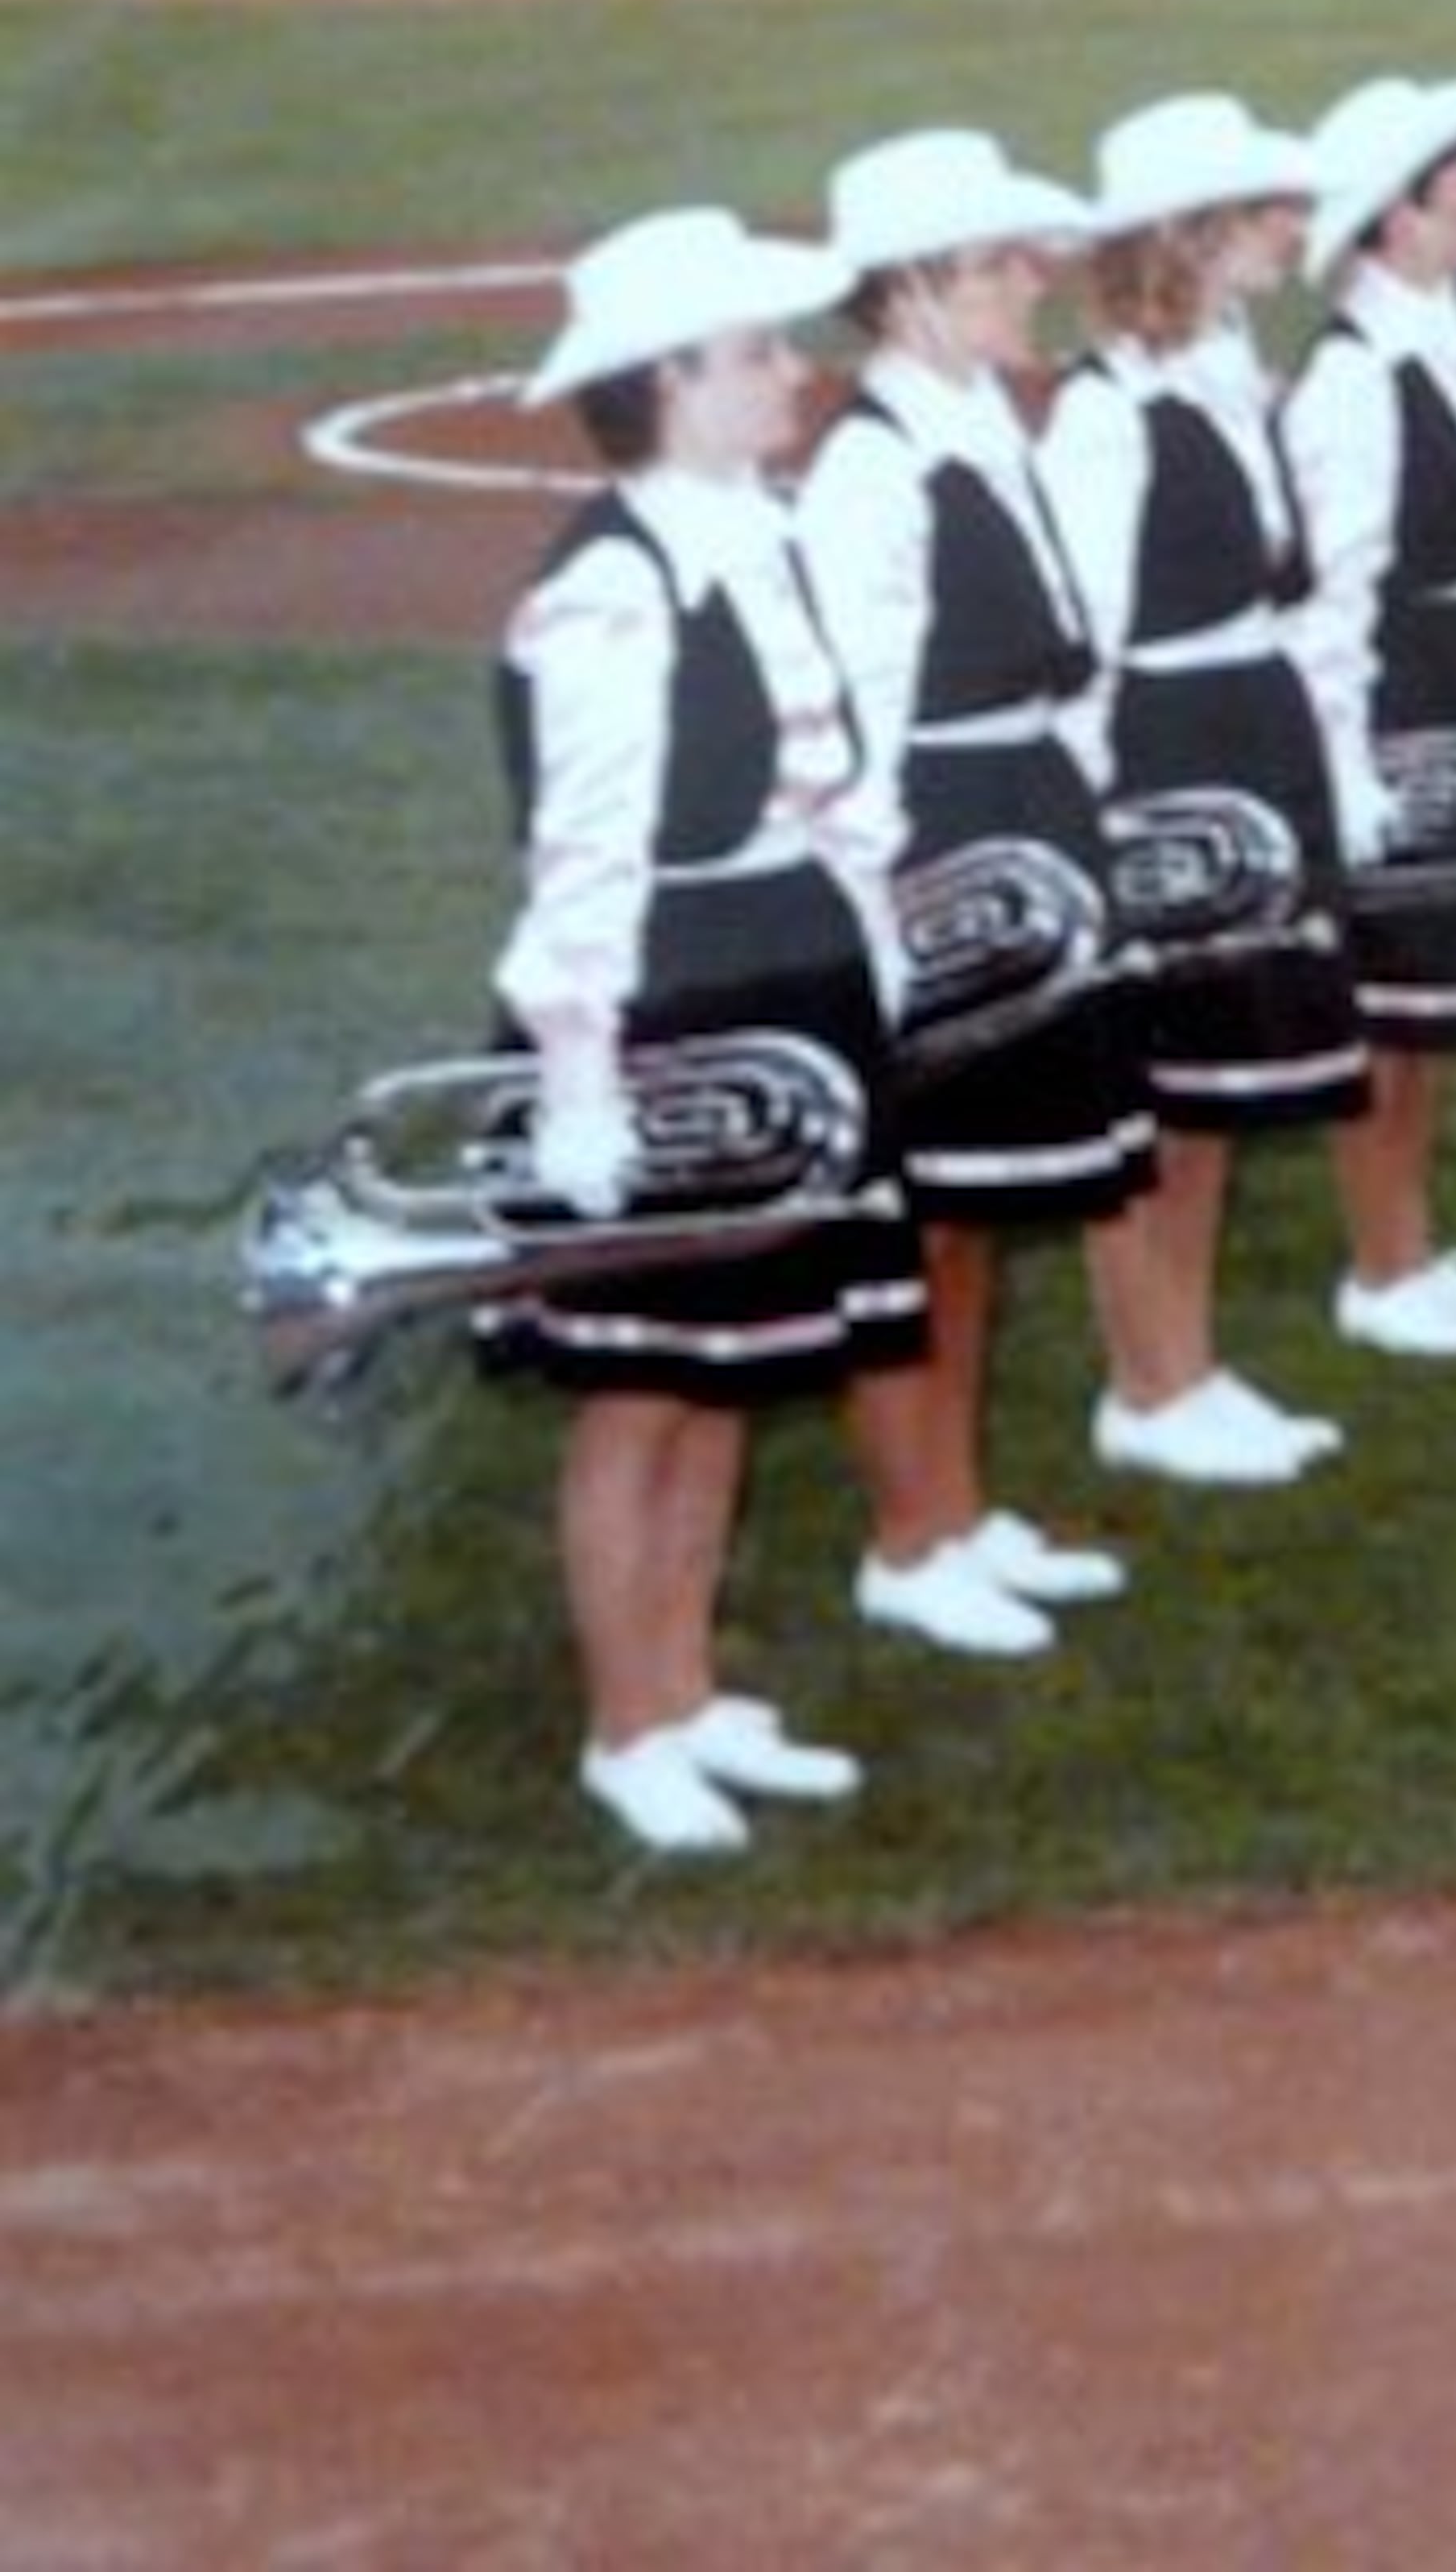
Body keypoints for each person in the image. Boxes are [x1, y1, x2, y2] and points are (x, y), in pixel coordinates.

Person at [490, 205, 926, 1858]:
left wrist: (867, 949)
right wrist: (582, 1079)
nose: (791, 372)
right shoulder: (610, 588)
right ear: (671, 378)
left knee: (730, 1365)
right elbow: (586, 849)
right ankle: (627, 1721)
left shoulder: (749, 528)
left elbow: (822, 771)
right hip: (669, 985)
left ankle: (681, 1686)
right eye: (756, 352)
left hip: (778, 962)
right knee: (642, 1384)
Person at [794, 127, 1152, 1662]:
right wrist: (887, 935)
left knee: (988, 1210)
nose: (1036, 280)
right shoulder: (872, 469)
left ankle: (956, 1504)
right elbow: (849, 727)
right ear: (920, 286)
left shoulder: (982, 425)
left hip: (1024, 813)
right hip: (941, 839)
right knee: (930, 1217)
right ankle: (907, 1538)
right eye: (1004, 262)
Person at [1038, 93, 1368, 1489]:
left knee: (1218, 1082)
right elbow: (1086, 647)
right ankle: (1148, 1382)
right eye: (1266, 210)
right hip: (1170, 750)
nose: (1296, 229)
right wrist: (1110, 826)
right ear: (1192, 235)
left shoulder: (1228, 372)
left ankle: (1189, 1360)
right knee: (1161, 1084)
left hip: (1253, 724)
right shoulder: (1104, 412)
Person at [1280, 72, 1456, 1349]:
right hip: (1402, 692)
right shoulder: (1353, 377)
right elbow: (1334, 596)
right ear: (1395, 222)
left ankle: (1412, 1246)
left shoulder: (1435, 335)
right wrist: (1349, 771)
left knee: (1440, 993)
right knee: (1391, 1001)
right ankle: (1381, 1265)